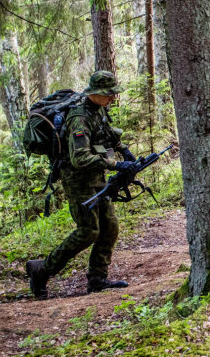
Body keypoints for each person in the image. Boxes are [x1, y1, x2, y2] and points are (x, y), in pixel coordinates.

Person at [25, 71, 133, 298]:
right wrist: (115, 165)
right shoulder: (79, 118)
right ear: (94, 93)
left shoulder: (99, 110)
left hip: (96, 178)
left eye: (113, 93)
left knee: (110, 225)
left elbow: (106, 135)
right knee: (88, 230)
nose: (112, 98)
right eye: (108, 94)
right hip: (77, 180)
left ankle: (97, 278)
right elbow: (79, 158)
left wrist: (124, 151)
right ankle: (41, 270)